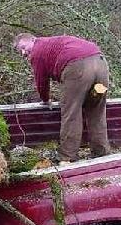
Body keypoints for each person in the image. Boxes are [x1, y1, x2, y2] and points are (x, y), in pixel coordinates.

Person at [13, 33, 110, 163]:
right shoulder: (52, 43)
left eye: (24, 47)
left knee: (71, 111)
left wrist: (45, 100)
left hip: (79, 69)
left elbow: (41, 81)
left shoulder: (37, 52)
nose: (24, 53)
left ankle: (67, 156)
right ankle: (101, 152)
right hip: (101, 65)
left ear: (33, 40)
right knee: (96, 109)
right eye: (21, 52)